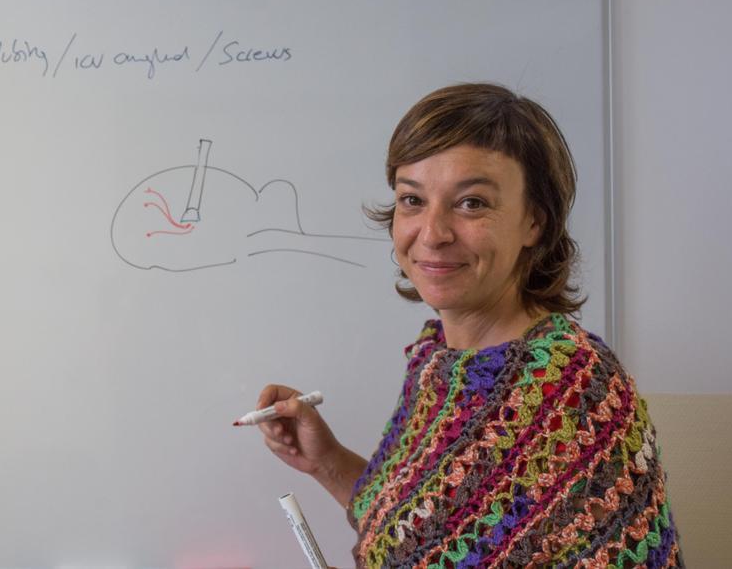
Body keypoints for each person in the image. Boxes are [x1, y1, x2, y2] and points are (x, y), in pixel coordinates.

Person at [255, 84, 682, 568]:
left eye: (472, 203)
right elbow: (422, 531)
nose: (433, 233)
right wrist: (326, 460)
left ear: (534, 223)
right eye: (412, 199)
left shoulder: (575, 391)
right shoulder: (438, 362)